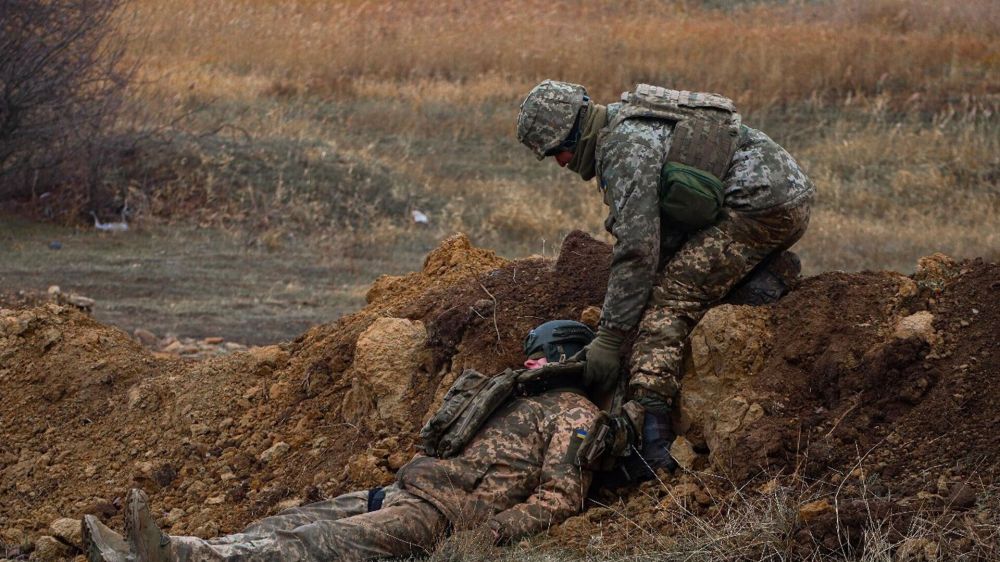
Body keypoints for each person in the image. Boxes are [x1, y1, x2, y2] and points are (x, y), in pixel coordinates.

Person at [82, 320, 600, 562]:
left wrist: (490, 534)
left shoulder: (575, 413)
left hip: (443, 514)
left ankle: (177, 557)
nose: (527, 364)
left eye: (538, 356)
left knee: (311, 545)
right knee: (283, 523)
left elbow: (560, 496)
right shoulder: (514, 397)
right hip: (408, 493)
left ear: (562, 356)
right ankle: (151, 554)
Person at [516, 81, 814, 472]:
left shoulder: (623, 150)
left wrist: (609, 339)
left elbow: (638, 250)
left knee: (668, 303)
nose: (561, 163)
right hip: (778, 194)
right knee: (678, 272)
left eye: (558, 151)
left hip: (761, 207)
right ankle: (762, 278)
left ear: (575, 131)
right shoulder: (624, 124)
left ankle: (651, 443)